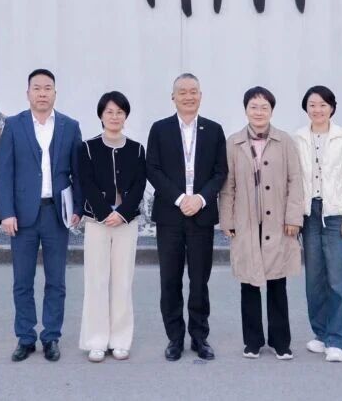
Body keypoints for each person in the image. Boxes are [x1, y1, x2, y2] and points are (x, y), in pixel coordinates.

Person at [0, 68, 83, 363]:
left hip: (56, 214)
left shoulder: (70, 126)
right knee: (22, 280)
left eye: (48, 88)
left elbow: (77, 172)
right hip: (22, 216)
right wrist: (6, 212)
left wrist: (78, 208)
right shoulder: (14, 125)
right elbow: (4, 172)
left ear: (55, 93)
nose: (42, 93)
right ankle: (25, 337)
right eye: (37, 88)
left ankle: (51, 336)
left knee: (56, 280)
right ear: (28, 93)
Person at [145, 72, 229, 362]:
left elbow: (220, 171)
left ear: (201, 96)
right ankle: (175, 338)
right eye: (182, 92)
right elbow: (153, 169)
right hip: (170, 214)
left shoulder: (214, 130)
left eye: (193, 91)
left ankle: (199, 336)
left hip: (201, 215)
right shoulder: (160, 129)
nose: (188, 96)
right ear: (173, 97)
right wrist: (181, 199)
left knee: (199, 280)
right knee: (169, 279)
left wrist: (200, 199)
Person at [220, 86, 304, 360]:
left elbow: (295, 180)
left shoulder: (285, 141)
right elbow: (228, 186)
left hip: (278, 222)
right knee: (249, 283)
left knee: (277, 282)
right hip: (246, 222)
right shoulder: (234, 143)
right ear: (246, 110)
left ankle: (281, 342)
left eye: (264, 107)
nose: (259, 112)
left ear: (271, 111)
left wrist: (293, 217)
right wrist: (227, 219)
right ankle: (253, 341)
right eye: (253, 107)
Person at [76, 91, 147, 362]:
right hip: (97, 221)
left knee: (122, 280)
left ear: (125, 116)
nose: (114, 117)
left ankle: (120, 339)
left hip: (127, 223)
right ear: (101, 115)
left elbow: (140, 184)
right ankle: (96, 339)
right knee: (96, 279)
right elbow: (86, 183)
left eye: (119, 112)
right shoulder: (87, 147)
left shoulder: (137, 149)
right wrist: (106, 213)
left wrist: (123, 213)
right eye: (109, 112)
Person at [293, 85, 342, 363]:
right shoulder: (298, 137)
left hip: (335, 214)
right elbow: (293, 179)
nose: (317, 109)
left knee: (339, 279)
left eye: (322, 104)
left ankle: (337, 339)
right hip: (309, 214)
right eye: (312, 104)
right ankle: (320, 334)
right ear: (306, 108)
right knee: (315, 279)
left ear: (332, 107)